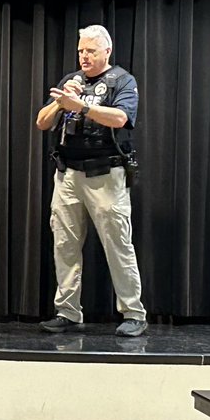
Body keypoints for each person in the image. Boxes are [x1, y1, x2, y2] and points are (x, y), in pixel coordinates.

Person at [36, 24, 147, 338]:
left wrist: (83, 107)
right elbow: (42, 122)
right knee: (64, 245)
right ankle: (68, 312)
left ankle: (134, 313)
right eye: (81, 51)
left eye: (91, 51)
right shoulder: (70, 82)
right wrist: (62, 101)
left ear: (106, 52)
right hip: (67, 174)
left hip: (105, 176)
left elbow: (121, 119)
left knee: (118, 245)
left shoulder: (122, 81)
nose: (84, 57)